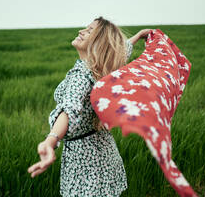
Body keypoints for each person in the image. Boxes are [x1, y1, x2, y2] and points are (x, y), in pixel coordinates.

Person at [28, 16, 152, 196]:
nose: (81, 31)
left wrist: (50, 140)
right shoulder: (104, 68)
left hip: (83, 162)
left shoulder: (81, 75)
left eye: (88, 31)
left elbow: (69, 109)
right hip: (104, 152)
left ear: (98, 43)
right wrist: (139, 35)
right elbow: (121, 50)